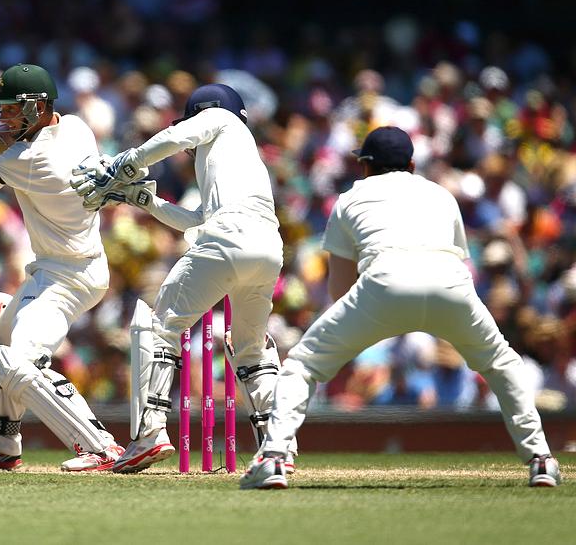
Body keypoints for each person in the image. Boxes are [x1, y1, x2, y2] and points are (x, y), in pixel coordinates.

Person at [240, 126, 562, 489]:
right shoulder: (441, 194)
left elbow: (341, 288)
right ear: (411, 164)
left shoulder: (350, 197)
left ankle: (274, 458)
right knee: (502, 363)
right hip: (451, 285)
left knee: (301, 365)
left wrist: (360, 327)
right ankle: (541, 460)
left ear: (364, 166)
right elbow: (460, 260)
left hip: (384, 282)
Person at [74, 83, 293, 473]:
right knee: (251, 349)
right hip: (268, 250)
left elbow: (176, 136)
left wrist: (124, 163)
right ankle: (278, 449)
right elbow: (196, 222)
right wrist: (143, 199)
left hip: (229, 239)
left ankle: (148, 435)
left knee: (159, 328)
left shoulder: (219, 117)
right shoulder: (240, 158)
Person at [0, 63, 123, 471]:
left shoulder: (32, 159)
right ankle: (0, 443)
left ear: (38, 106)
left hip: (69, 276)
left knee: (22, 358)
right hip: (69, 266)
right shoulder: (76, 128)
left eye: (13, 109)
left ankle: (101, 446)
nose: (5, 117)